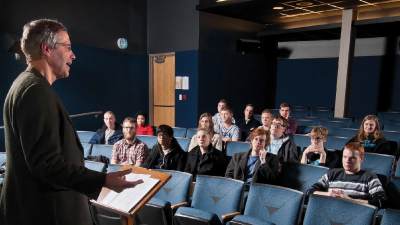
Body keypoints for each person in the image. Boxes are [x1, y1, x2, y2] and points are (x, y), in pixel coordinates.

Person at [0, 19, 141, 225]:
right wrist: (103, 180)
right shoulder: (35, 91)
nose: (73, 55)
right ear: (47, 49)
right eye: (67, 47)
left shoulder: (24, 85)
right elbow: (47, 166)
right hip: (47, 212)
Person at [307, 142, 386, 208]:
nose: (347, 161)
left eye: (352, 158)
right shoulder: (332, 173)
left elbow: (380, 202)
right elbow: (309, 191)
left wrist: (348, 199)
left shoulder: (370, 177)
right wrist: (328, 194)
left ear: (361, 158)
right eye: (345, 157)